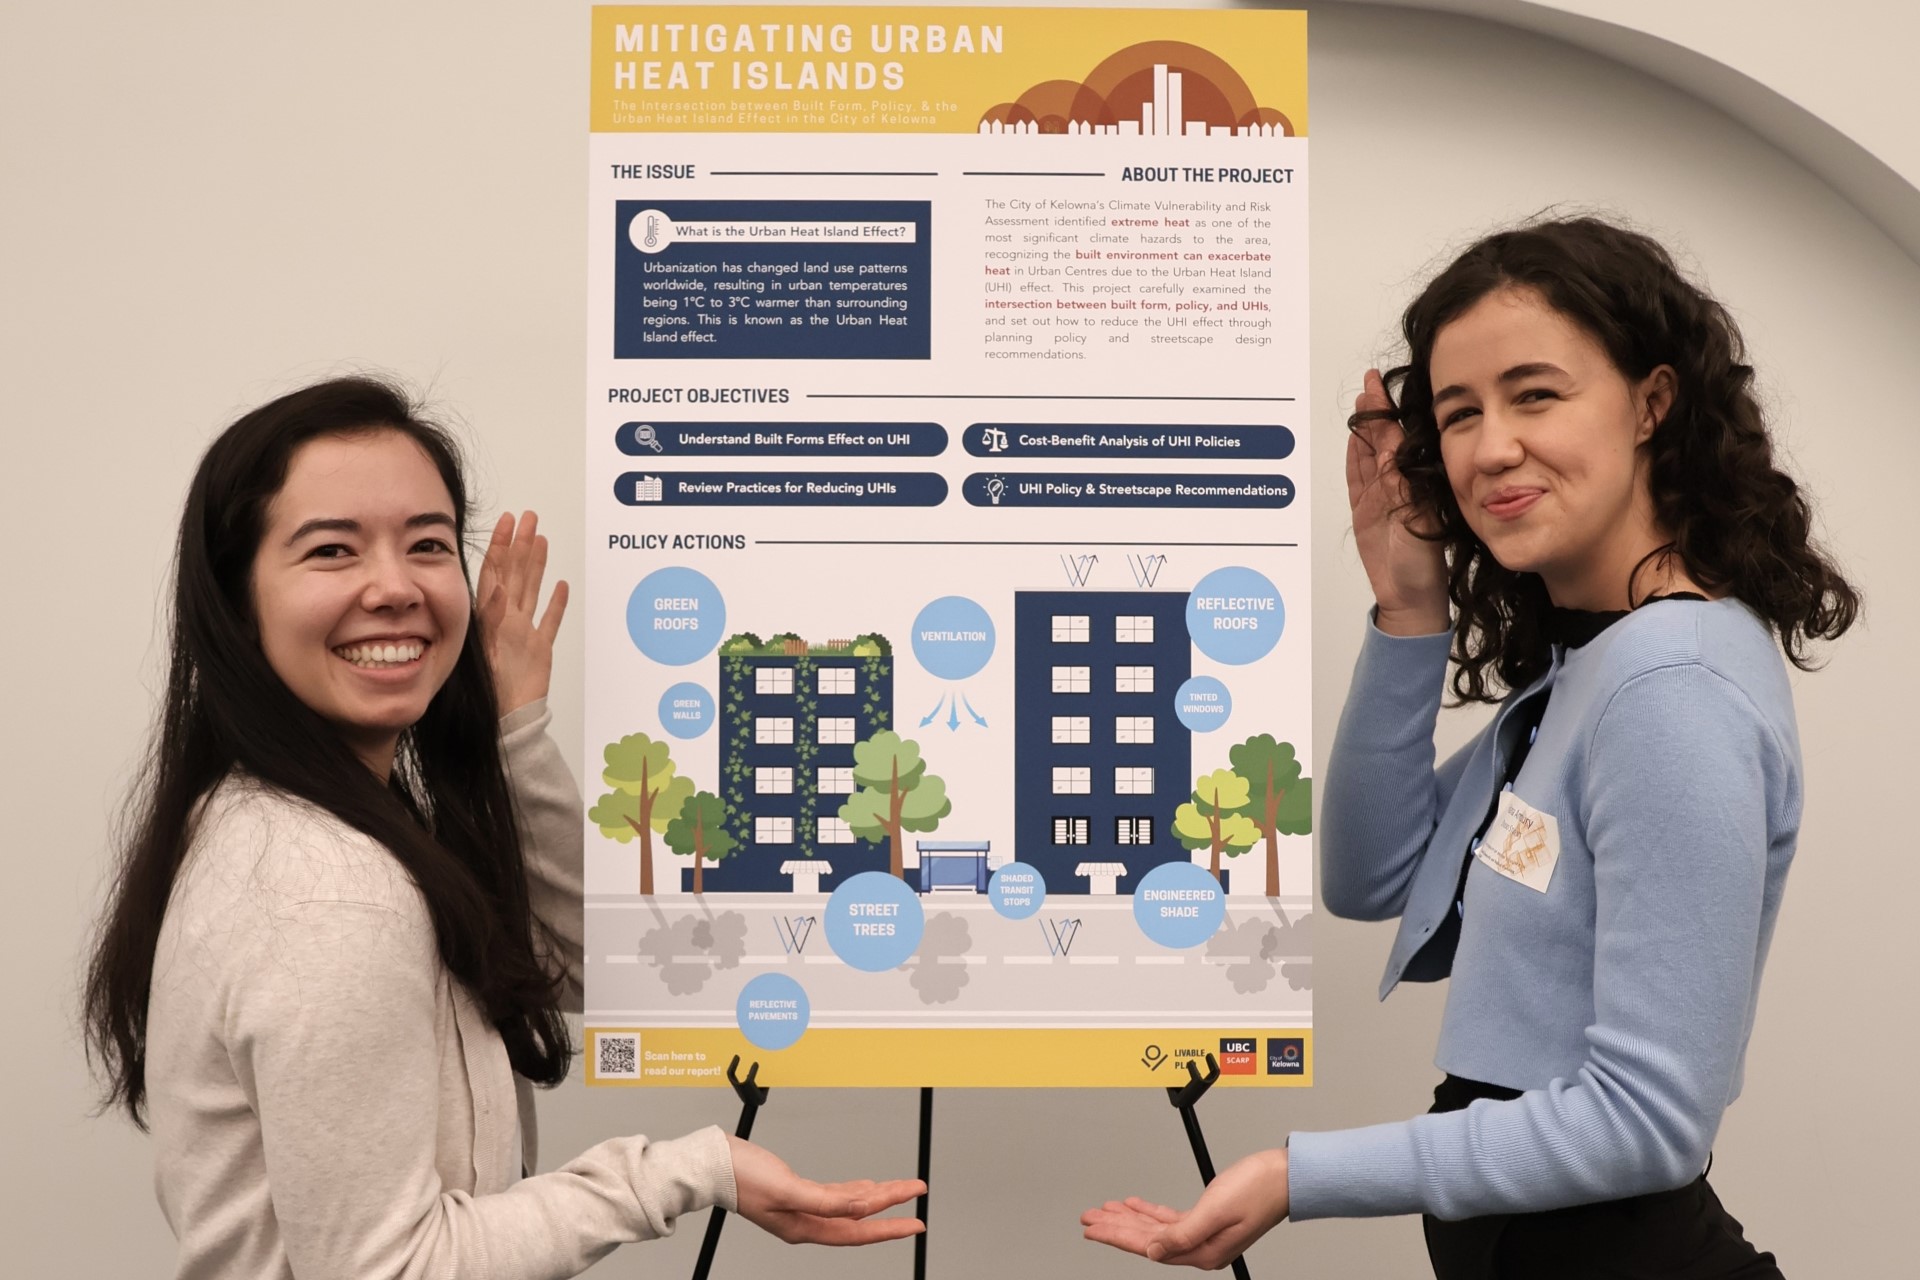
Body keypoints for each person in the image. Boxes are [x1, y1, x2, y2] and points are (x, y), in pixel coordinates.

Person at [1081, 216, 1858, 1277]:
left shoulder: (1670, 684)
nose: (1491, 446)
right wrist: (1408, 606)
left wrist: (1295, 1174)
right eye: (1458, 413)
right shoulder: (1596, 665)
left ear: (1652, 403)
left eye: (1535, 394)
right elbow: (1375, 873)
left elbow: (1648, 1122)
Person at [84, 376, 924, 1277]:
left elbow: (581, 964)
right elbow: (395, 1270)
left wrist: (512, 724)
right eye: (333, 550)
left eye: (429, 545)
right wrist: (689, 1172)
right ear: (236, 598)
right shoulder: (324, 889)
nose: (395, 587)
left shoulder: (302, 818)